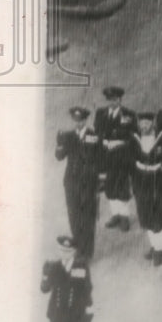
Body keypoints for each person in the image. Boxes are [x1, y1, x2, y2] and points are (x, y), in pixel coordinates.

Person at [55, 106, 101, 261]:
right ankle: (79, 247)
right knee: (74, 215)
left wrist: (100, 182)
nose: (78, 123)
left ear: (85, 120)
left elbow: (101, 159)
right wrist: (59, 144)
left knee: (88, 216)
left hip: (89, 182)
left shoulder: (94, 136)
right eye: (75, 120)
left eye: (81, 120)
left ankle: (87, 252)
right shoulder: (67, 136)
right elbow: (59, 157)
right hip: (71, 182)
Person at [94, 85, 136, 233]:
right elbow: (97, 132)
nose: (113, 102)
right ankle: (115, 215)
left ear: (120, 99)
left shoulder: (129, 114)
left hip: (122, 155)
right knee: (110, 186)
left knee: (122, 185)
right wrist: (104, 142)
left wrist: (119, 142)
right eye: (110, 99)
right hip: (106, 154)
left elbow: (133, 135)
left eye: (116, 99)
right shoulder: (100, 113)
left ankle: (124, 216)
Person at [131, 111, 162, 266]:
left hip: (158, 182)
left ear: (153, 124)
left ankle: (160, 250)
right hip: (141, 182)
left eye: (148, 123)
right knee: (146, 214)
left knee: (158, 216)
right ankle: (154, 246)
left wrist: (159, 167)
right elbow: (130, 158)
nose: (144, 126)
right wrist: (137, 167)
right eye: (142, 123)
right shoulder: (135, 140)